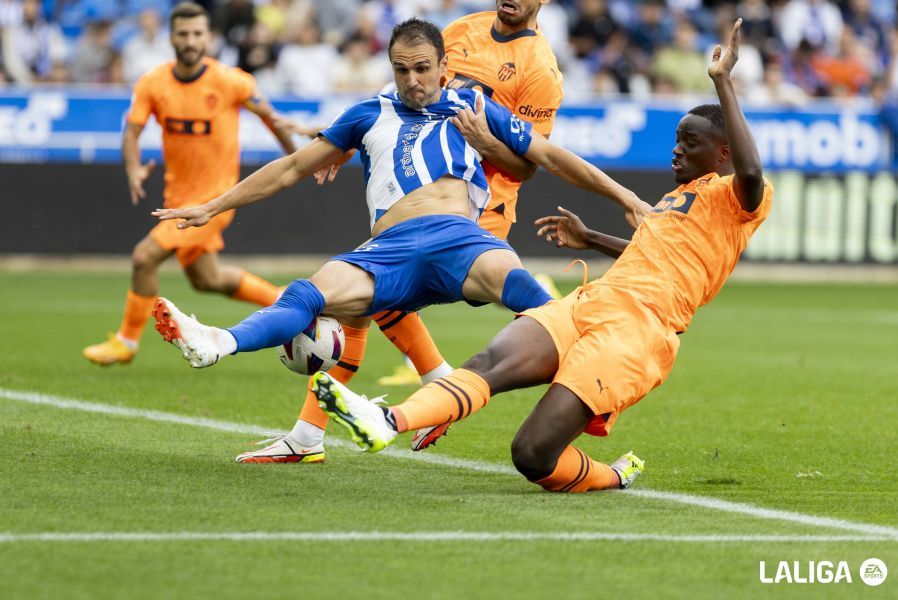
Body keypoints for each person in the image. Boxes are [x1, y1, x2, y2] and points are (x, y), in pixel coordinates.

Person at [150, 19, 649, 470]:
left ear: (445, 67)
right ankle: (216, 342)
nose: (412, 80)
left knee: (537, 302)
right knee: (309, 294)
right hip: (388, 249)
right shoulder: (368, 112)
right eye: (401, 69)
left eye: (423, 68)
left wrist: (625, 196)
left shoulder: (473, 108)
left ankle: (590, 398)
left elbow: (551, 156)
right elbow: (290, 169)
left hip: (460, 240)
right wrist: (211, 207)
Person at [314, 19, 773, 494]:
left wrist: (722, 81)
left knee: (531, 454)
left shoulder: (736, 200)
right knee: (489, 360)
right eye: (676, 140)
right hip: (593, 302)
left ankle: (614, 475)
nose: (676, 151)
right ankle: (387, 419)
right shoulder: (673, 202)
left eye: (690, 143)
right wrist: (591, 238)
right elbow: (653, 256)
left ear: (722, 154)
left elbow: (752, 169)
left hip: (639, 330)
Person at [234, 1, 573, 464]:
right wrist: (340, 140)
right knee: (365, 309)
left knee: (376, 300)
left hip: (476, 205)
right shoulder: (459, 30)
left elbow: (526, 165)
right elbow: (399, 98)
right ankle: (310, 434)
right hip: (416, 186)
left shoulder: (541, 70)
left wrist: (482, 140)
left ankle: (447, 384)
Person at [83, 2, 304, 366]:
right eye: (183, 34)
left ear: (209, 37)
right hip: (178, 198)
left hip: (215, 201)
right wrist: (133, 167)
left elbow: (273, 120)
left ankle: (126, 341)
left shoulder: (232, 81)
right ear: (171, 38)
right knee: (208, 278)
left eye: (197, 33)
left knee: (143, 258)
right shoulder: (153, 83)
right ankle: (287, 303)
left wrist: (297, 161)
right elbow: (132, 132)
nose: (190, 41)